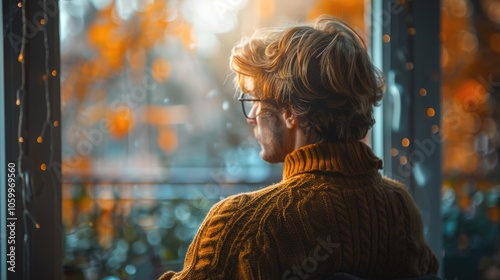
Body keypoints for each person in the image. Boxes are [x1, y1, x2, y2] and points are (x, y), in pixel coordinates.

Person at [159, 15, 439, 280]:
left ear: (290, 110)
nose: (251, 117)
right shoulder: (401, 209)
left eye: (254, 100)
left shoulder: (244, 227)